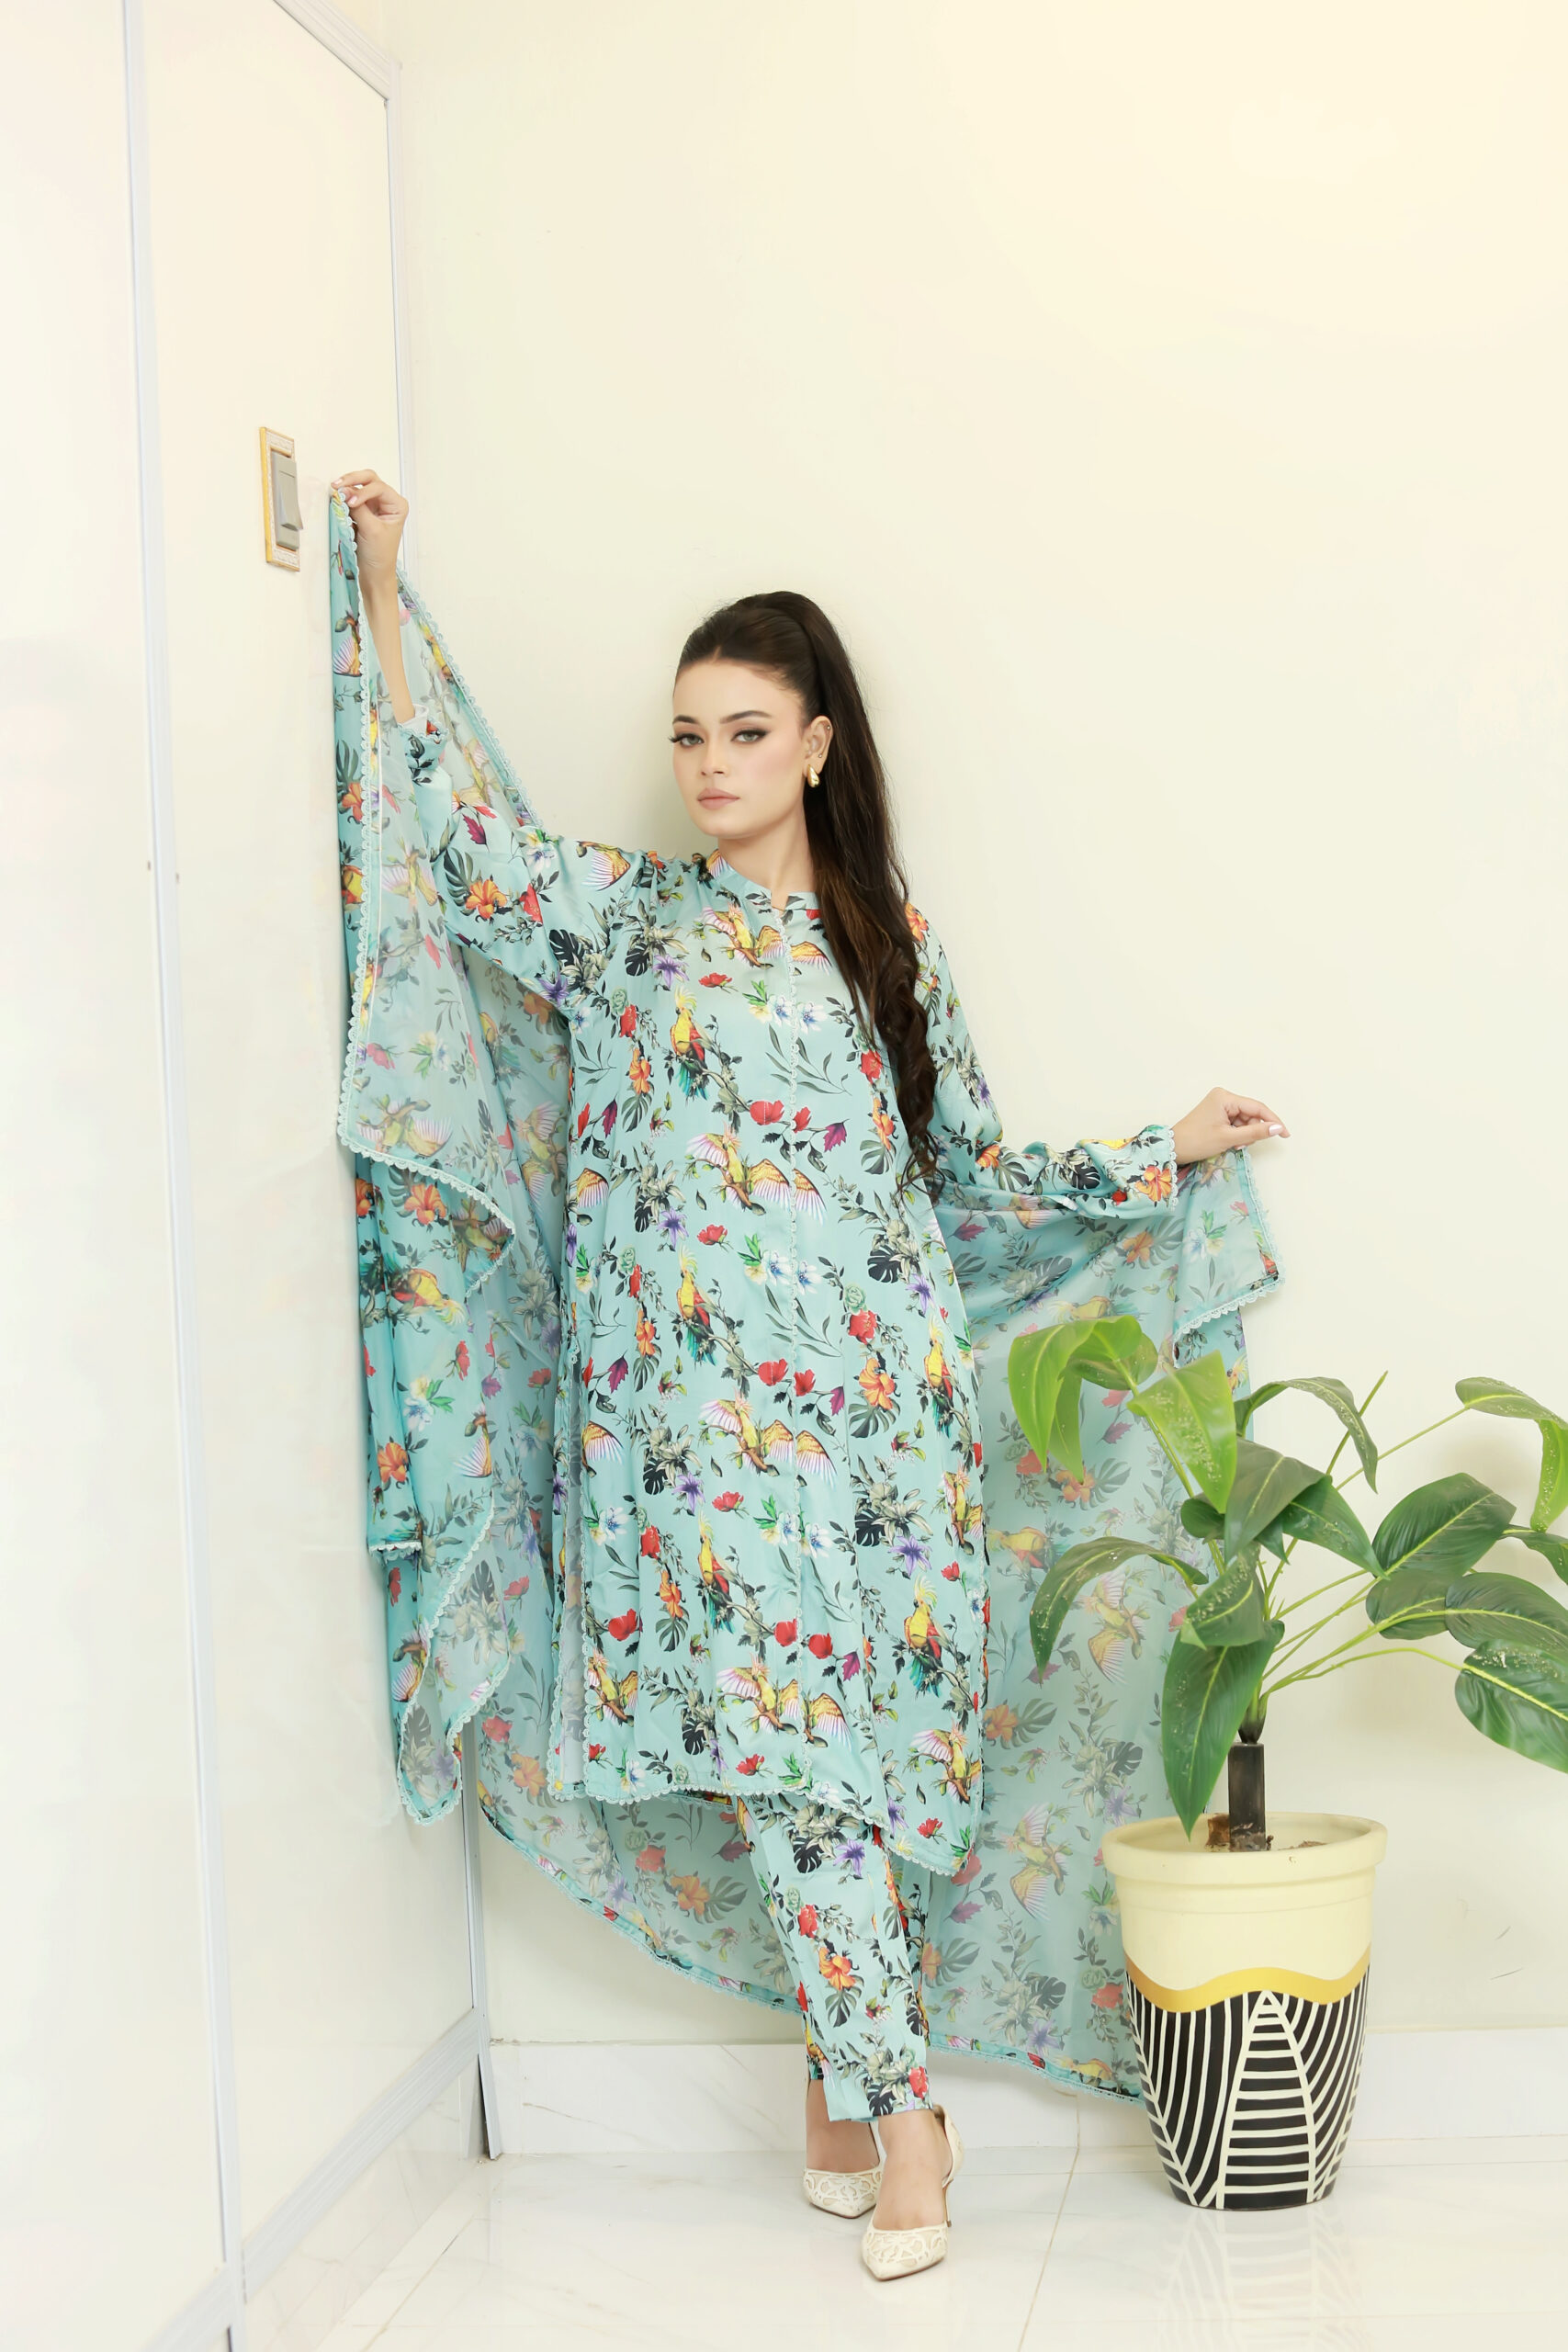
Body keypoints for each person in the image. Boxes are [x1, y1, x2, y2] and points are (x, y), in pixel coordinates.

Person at [333, 467, 1289, 2278]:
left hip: (869, 1433)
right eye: (687, 735)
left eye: (746, 732)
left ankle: (842, 2097)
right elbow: (456, 835)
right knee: (780, 1759)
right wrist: (383, 592)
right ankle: (905, 2113)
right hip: (685, 1438)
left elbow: (966, 1176)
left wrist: (1152, 1154)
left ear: (818, 744)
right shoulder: (622, 922)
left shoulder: (886, 952)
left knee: (840, 1761)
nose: (709, 764)